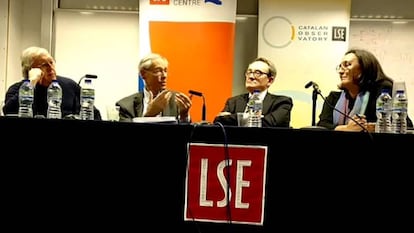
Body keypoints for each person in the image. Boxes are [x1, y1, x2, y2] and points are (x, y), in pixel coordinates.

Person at [317, 48, 412, 131]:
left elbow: (405, 125)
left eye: (347, 65)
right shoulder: (333, 98)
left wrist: (375, 127)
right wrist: (346, 129)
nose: (341, 71)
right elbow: (322, 126)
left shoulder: (382, 94)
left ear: (363, 68)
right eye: (340, 67)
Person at [2, 46, 102, 120]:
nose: (51, 68)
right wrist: (31, 82)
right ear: (30, 69)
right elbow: (8, 111)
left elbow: (94, 115)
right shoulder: (16, 89)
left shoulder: (69, 85)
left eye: (51, 62)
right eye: (44, 65)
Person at [213, 57, 293, 127]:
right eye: (249, 72)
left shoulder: (282, 102)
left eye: (257, 73)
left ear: (270, 80)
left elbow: (269, 124)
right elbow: (219, 121)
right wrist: (256, 118)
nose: (251, 77)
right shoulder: (233, 102)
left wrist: (235, 118)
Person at [116, 53, 192, 122]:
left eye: (165, 71)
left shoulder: (176, 100)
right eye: (158, 71)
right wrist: (149, 115)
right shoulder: (126, 105)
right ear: (143, 74)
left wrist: (184, 116)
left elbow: (186, 135)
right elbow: (125, 134)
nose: (164, 76)